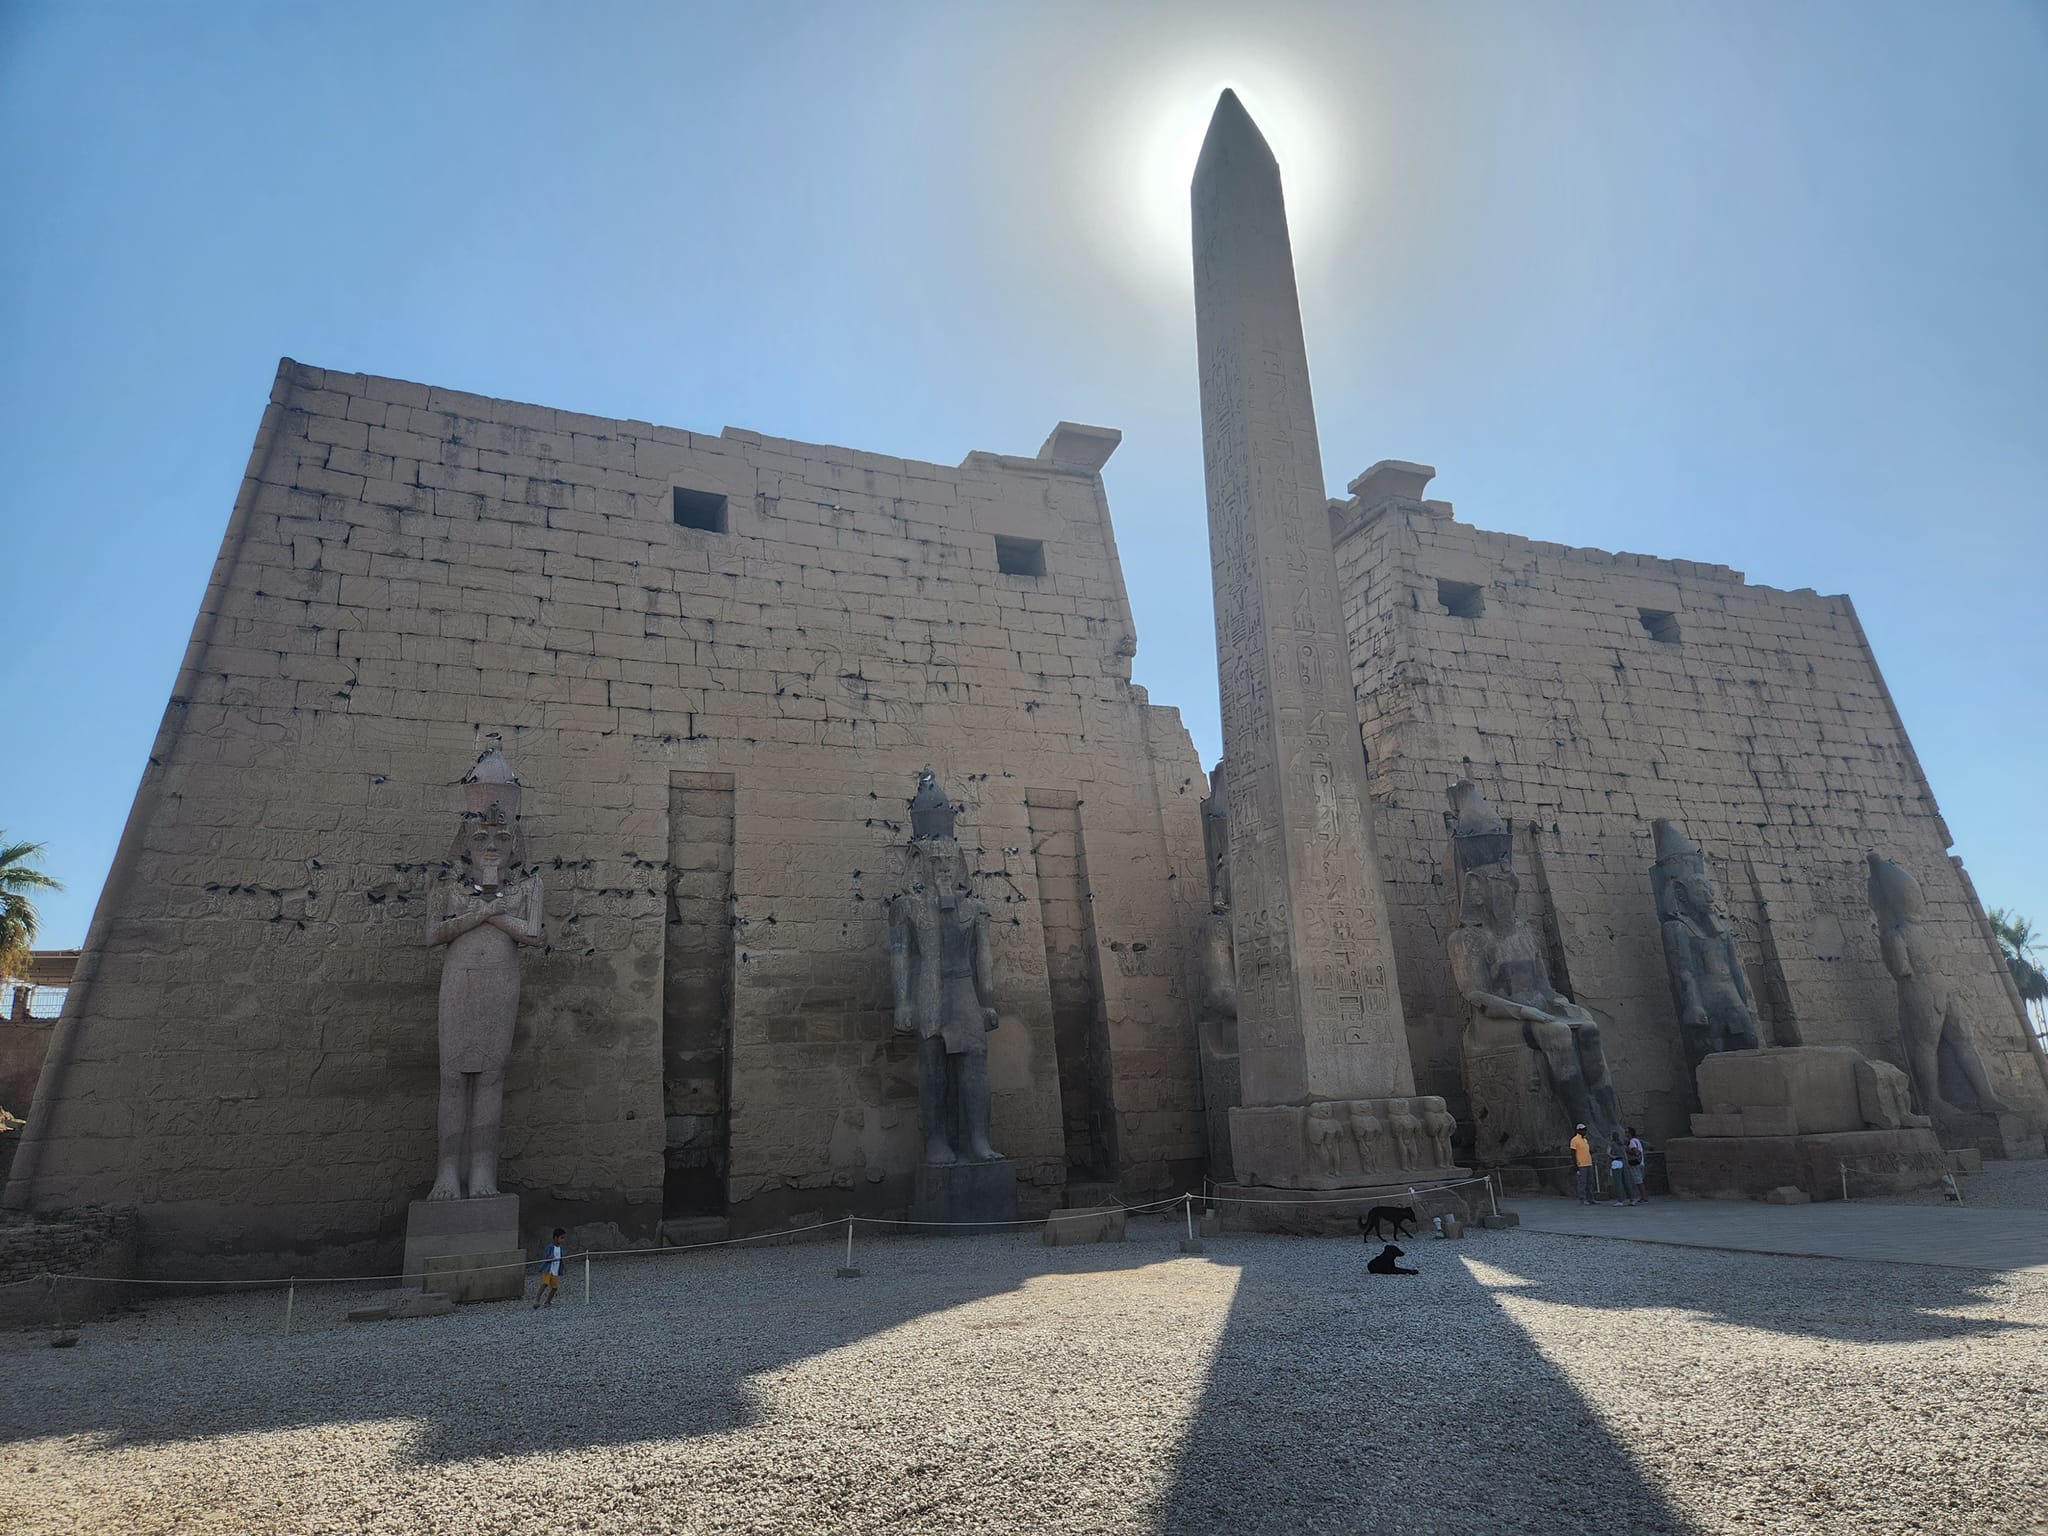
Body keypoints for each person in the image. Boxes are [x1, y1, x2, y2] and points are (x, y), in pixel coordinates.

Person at [533, 1227, 565, 1309]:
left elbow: (561, 1259)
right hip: (548, 1269)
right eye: (561, 1238)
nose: (563, 1240)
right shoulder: (549, 1247)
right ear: (555, 1238)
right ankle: (537, 1299)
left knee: (555, 1287)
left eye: (563, 1238)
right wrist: (549, 1258)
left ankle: (548, 1302)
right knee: (545, 1283)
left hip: (555, 1270)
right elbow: (546, 1257)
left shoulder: (561, 1248)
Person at [1608, 1133, 1637, 1205]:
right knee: (1627, 1181)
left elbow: (1608, 1152)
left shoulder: (1611, 1144)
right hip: (1623, 1161)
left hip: (1616, 1161)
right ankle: (1632, 1199)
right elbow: (1625, 1154)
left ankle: (1620, 1200)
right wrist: (1627, 1163)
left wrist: (1613, 1156)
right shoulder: (1621, 1144)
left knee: (1618, 1182)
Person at [1570, 1124, 1595, 1204]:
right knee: (1582, 1183)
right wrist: (1575, 1165)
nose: (1584, 1131)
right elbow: (1573, 1153)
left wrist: (1592, 1151)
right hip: (1581, 1164)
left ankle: (1590, 1198)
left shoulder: (1585, 1140)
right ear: (1578, 1130)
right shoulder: (1574, 1140)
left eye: (1585, 1129)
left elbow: (1586, 1151)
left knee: (1590, 1182)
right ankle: (1583, 1199)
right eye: (1582, 1130)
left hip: (1588, 1163)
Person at [1626, 1126, 1648, 1202]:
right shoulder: (1637, 1140)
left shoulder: (1632, 1142)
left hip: (1635, 1164)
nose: (1625, 1134)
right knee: (1640, 1181)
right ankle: (1643, 1196)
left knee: (1639, 1181)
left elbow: (1635, 1152)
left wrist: (1627, 1150)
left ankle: (1644, 1197)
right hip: (1640, 1163)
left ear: (1630, 1133)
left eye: (1626, 1132)